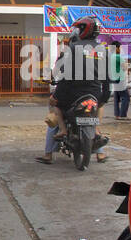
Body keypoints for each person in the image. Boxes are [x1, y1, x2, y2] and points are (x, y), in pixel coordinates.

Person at [38, 17, 113, 163]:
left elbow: (64, 76)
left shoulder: (72, 49)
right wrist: (105, 97)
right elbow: (108, 78)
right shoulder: (103, 50)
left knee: (55, 106)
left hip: (73, 94)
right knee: (98, 107)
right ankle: (98, 138)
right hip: (95, 94)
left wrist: (57, 96)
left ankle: (59, 136)